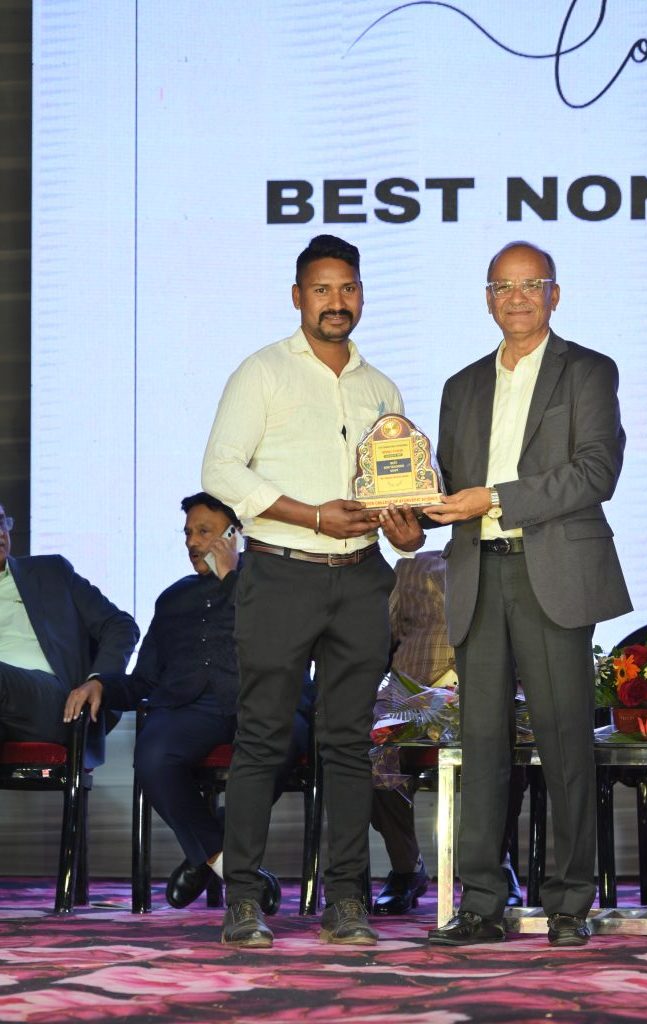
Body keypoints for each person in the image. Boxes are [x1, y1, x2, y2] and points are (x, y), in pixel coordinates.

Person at [201, 234, 424, 948]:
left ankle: (347, 901)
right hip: (280, 573)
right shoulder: (262, 371)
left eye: (347, 288)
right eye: (322, 289)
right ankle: (243, 900)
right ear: (297, 296)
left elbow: (396, 496)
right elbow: (221, 471)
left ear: (361, 294)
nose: (336, 301)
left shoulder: (381, 389)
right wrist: (313, 516)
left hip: (360, 578)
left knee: (349, 745)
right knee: (263, 739)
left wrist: (406, 530)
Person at [424, 241, 632, 948]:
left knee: (564, 740)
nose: (515, 298)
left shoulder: (588, 370)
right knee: (481, 744)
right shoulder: (460, 386)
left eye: (530, 284)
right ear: (487, 300)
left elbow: (596, 471)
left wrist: (494, 498)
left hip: (553, 573)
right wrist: (409, 512)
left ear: (554, 294)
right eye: (502, 287)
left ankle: (568, 902)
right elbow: (447, 487)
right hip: (477, 572)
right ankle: (483, 902)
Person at [64, 492, 312, 912]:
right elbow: (144, 679)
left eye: (204, 532)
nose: (192, 542)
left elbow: (282, 641)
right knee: (153, 756)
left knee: (277, 742)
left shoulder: (274, 583)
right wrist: (100, 684)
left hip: (265, 702)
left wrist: (232, 577)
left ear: (235, 535)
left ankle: (203, 856)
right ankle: (225, 863)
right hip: (190, 707)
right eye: (187, 533)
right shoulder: (173, 598)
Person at [371, 550, 525, 914]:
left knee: (508, 749)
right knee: (373, 753)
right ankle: (406, 868)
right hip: (412, 693)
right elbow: (380, 639)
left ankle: (495, 864)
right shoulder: (412, 566)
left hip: (489, 688)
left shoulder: (511, 559)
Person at [0, 502, 138, 768]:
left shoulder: (51, 572)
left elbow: (120, 625)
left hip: (53, 701)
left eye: (1, 521)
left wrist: (98, 680)